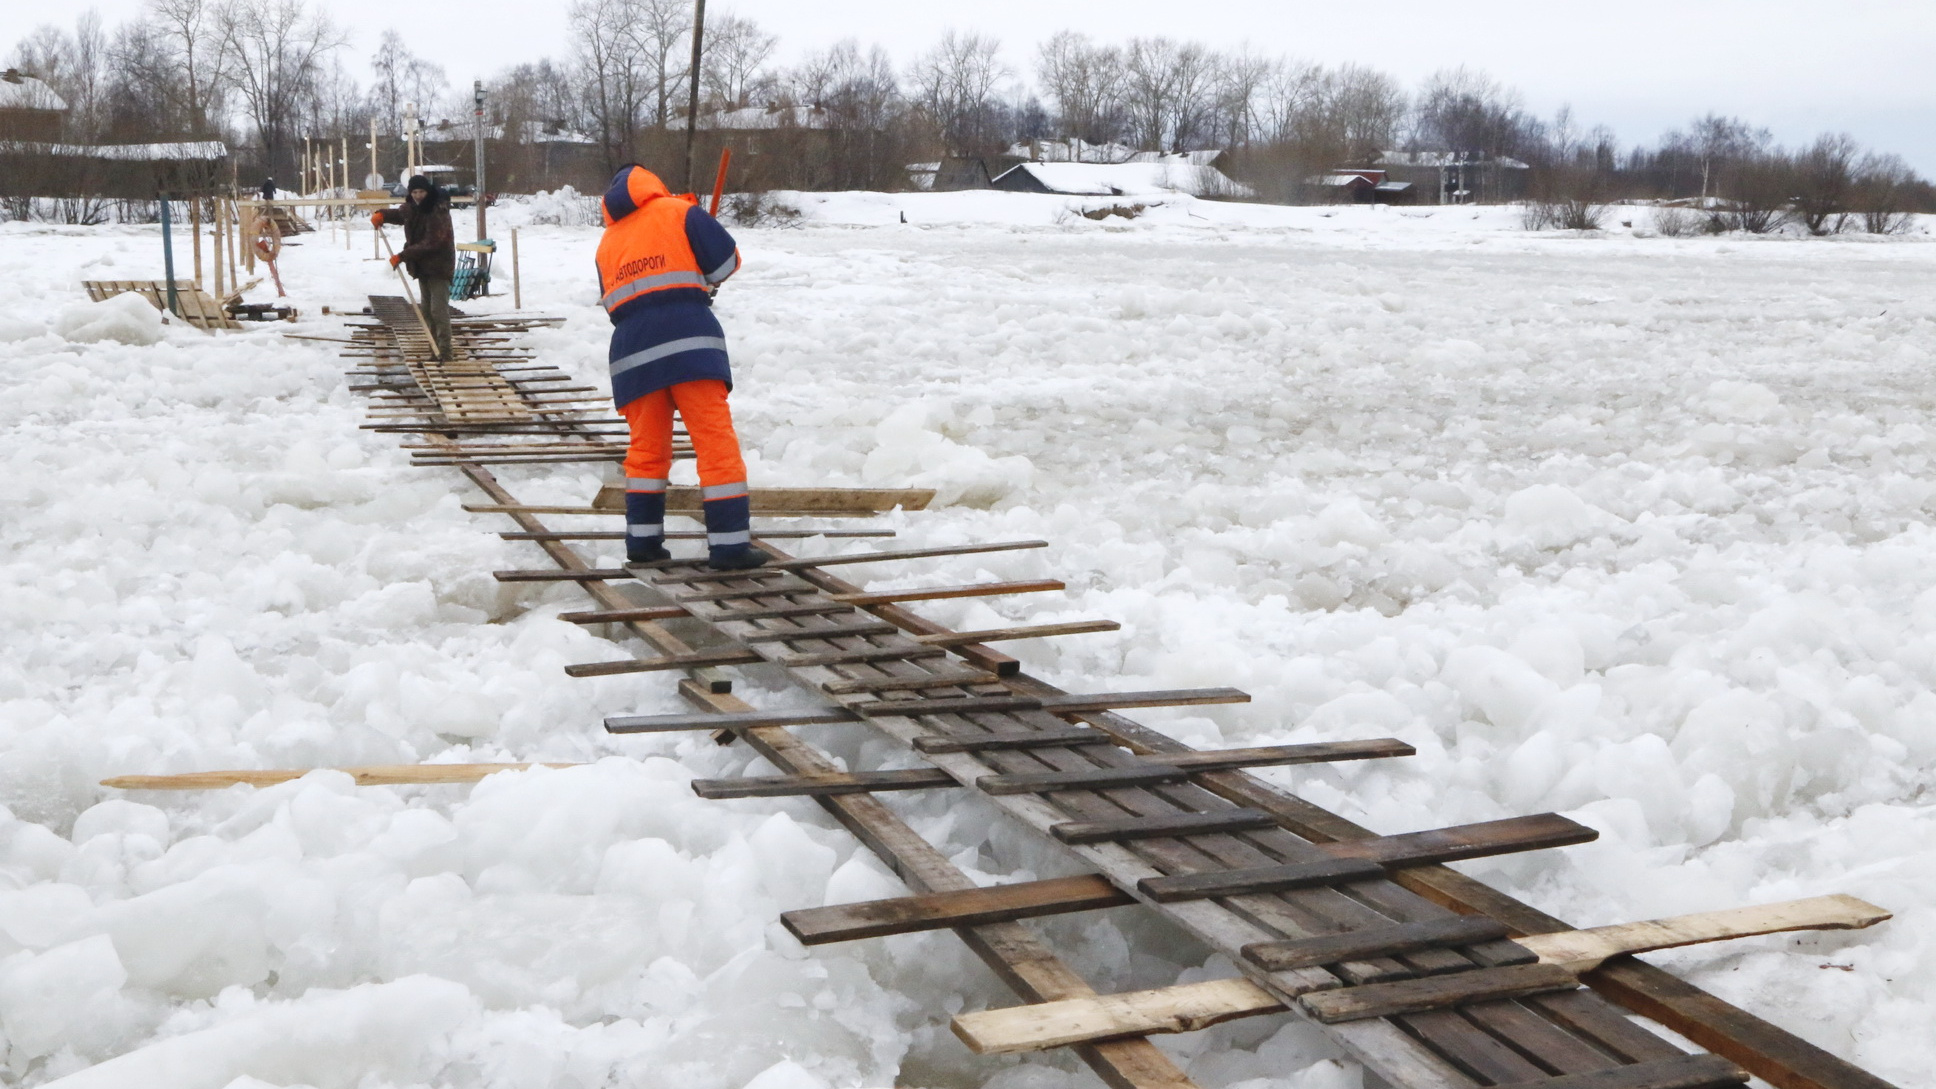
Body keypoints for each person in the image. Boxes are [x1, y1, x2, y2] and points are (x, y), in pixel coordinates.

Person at [595, 163, 762, 571]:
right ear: (654, 183)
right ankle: (729, 547)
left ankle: (644, 544)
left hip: (632, 351)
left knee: (647, 452)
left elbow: (613, 301)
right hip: (690, 341)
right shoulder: (679, 211)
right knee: (714, 443)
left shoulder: (606, 242)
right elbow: (726, 264)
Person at [370, 174, 455, 360]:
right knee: (426, 310)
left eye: (421, 191)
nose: (418, 195)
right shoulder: (412, 208)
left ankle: (446, 352)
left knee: (438, 310)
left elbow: (434, 242)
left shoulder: (437, 209)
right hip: (423, 265)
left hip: (439, 266)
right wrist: (382, 214)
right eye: (414, 192)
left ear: (428, 191)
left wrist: (403, 256)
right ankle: (434, 349)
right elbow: (400, 214)